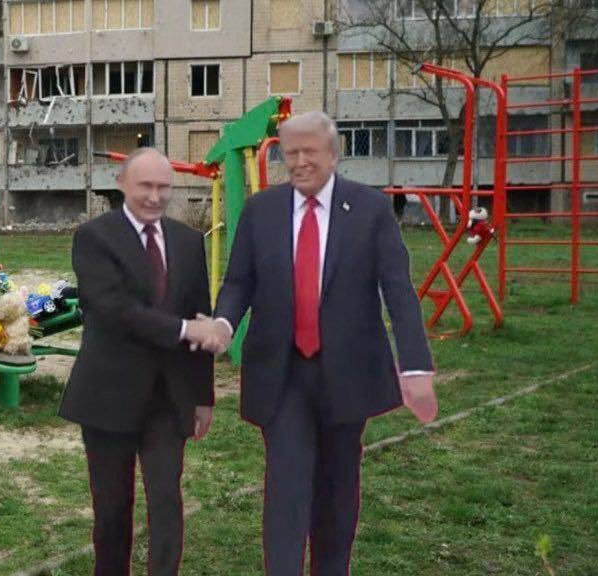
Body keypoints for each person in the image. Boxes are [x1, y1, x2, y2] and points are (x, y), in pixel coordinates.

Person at [195, 111, 437, 576]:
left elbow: (399, 291)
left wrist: (415, 367)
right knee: (286, 485)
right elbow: (239, 281)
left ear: (333, 154)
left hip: (347, 372)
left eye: (310, 151)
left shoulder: (370, 210)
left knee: (337, 488)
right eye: (291, 153)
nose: (300, 161)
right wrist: (224, 324)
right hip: (281, 373)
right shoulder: (261, 211)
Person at [58, 148, 217, 576]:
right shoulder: (94, 237)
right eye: (145, 185)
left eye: (164, 187)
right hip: (108, 395)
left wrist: (203, 396)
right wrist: (183, 329)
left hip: (169, 398)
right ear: (122, 183)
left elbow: (200, 316)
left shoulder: (188, 241)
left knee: (167, 502)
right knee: (112, 509)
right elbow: (114, 309)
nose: (154, 196)